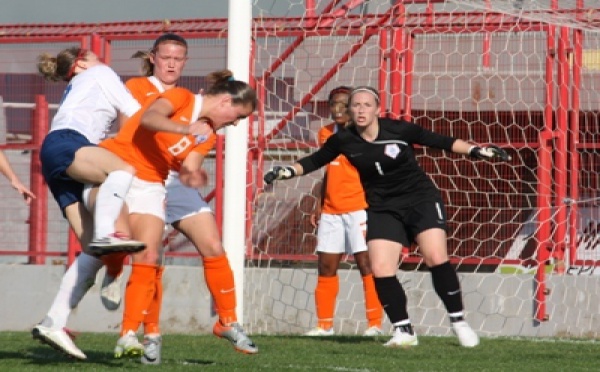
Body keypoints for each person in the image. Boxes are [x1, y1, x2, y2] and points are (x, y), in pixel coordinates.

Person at [265, 86, 511, 348]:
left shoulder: (398, 129)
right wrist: (287, 172)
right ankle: (403, 330)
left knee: (435, 257)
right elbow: (315, 161)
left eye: (366, 105)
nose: (360, 110)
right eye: (356, 105)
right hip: (382, 207)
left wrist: (478, 151)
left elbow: (442, 141)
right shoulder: (344, 139)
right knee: (381, 268)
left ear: (377, 108)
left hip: (420, 200)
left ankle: (458, 321)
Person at [107, 34, 257, 362]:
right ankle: (149, 333)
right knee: (151, 255)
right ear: (154, 58)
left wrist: (193, 174)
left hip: (172, 180)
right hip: (140, 175)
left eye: (178, 58)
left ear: (185, 62)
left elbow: (191, 161)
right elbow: (132, 130)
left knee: (213, 244)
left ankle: (228, 321)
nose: (172, 63)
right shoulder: (142, 88)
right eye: (166, 57)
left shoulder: (201, 116)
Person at [31, 46, 147, 360]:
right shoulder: (100, 73)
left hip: (56, 153)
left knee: (92, 253)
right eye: (93, 54)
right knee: (123, 170)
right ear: (82, 62)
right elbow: (136, 110)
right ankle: (109, 232)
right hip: (68, 142)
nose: (101, 57)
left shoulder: (82, 82)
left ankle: (53, 322)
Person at [305, 86, 383, 337]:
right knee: (326, 266)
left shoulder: (367, 134)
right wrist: (319, 204)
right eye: (332, 104)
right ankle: (324, 325)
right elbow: (329, 171)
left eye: (343, 104)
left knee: (367, 265)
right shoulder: (325, 133)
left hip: (360, 208)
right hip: (331, 210)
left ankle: (375, 325)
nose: (337, 109)